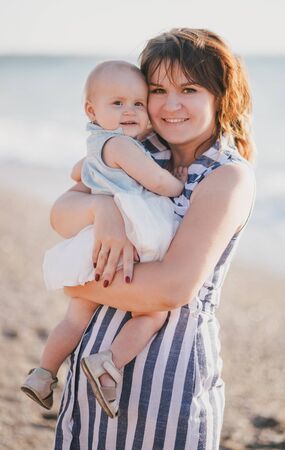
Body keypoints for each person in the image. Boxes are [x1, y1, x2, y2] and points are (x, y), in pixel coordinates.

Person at [51, 28, 255, 449]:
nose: (171, 104)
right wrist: (101, 210)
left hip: (169, 376)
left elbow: (171, 289)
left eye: (190, 88)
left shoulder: (226, 176)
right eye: (158, 89)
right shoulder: (136, 149)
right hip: (92, 357)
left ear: (222, 97)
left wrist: (73, 282)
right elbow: (60, 214)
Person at [21, 61, 188, 417]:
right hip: (132, 235)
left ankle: (43, 374)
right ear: (91, 110)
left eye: (138, 104)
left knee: (74, 319)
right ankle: (108, 363)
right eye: (118, 103)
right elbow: (158, 183)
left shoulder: (95, 145)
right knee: (153, 313)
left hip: (93, 244)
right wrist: (178, 183)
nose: (130, 110)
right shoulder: (124, 147)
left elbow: (75, 172)